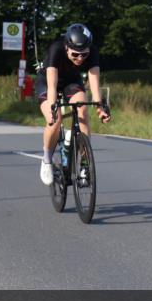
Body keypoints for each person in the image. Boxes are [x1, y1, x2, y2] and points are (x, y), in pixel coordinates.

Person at [35, 23, 111, 185]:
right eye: (75, 55)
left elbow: (94, 82)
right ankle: (47, 160)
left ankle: (84, 164)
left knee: (82, 109)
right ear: (67, 48)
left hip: (71, 81)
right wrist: (53, 108)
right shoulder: (56, 49)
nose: (80, 59)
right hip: (48, 83)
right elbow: (52, 84)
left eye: (84, 55)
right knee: (54, 120)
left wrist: (100, 107)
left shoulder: (92, 51)